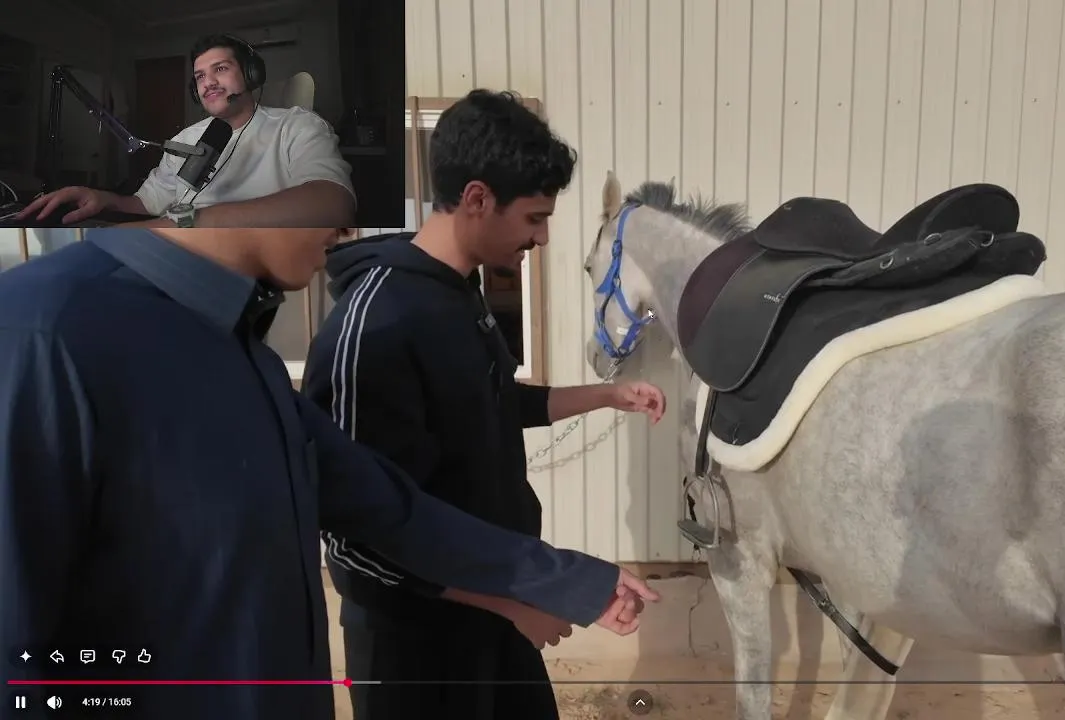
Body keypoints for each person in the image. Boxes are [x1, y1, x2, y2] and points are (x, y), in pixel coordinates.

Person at [0, 227, 659, 720]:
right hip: (418, 634)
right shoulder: (42, 330)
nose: (344, 227)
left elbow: (390, 508)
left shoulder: (244, 356)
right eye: (332, 190)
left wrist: (569, 580)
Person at [300, 89, 668, 720]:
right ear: (476, 199)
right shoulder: (379, 322)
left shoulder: (458, 292)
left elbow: (489, 400)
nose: (543, 238)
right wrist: (523, 597)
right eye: (534, 218)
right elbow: (361, 538)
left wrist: (607, 395)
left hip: (497, 605)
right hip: (416, 649)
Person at [15, 34, 354, 228]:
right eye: (200, 76)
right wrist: (105, 199)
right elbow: (148, 203)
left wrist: (192, 221)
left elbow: (333, 204)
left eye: (220, 69)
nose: (208, 83)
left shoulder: (297, 125)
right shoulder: (185, 140)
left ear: (250, 74)